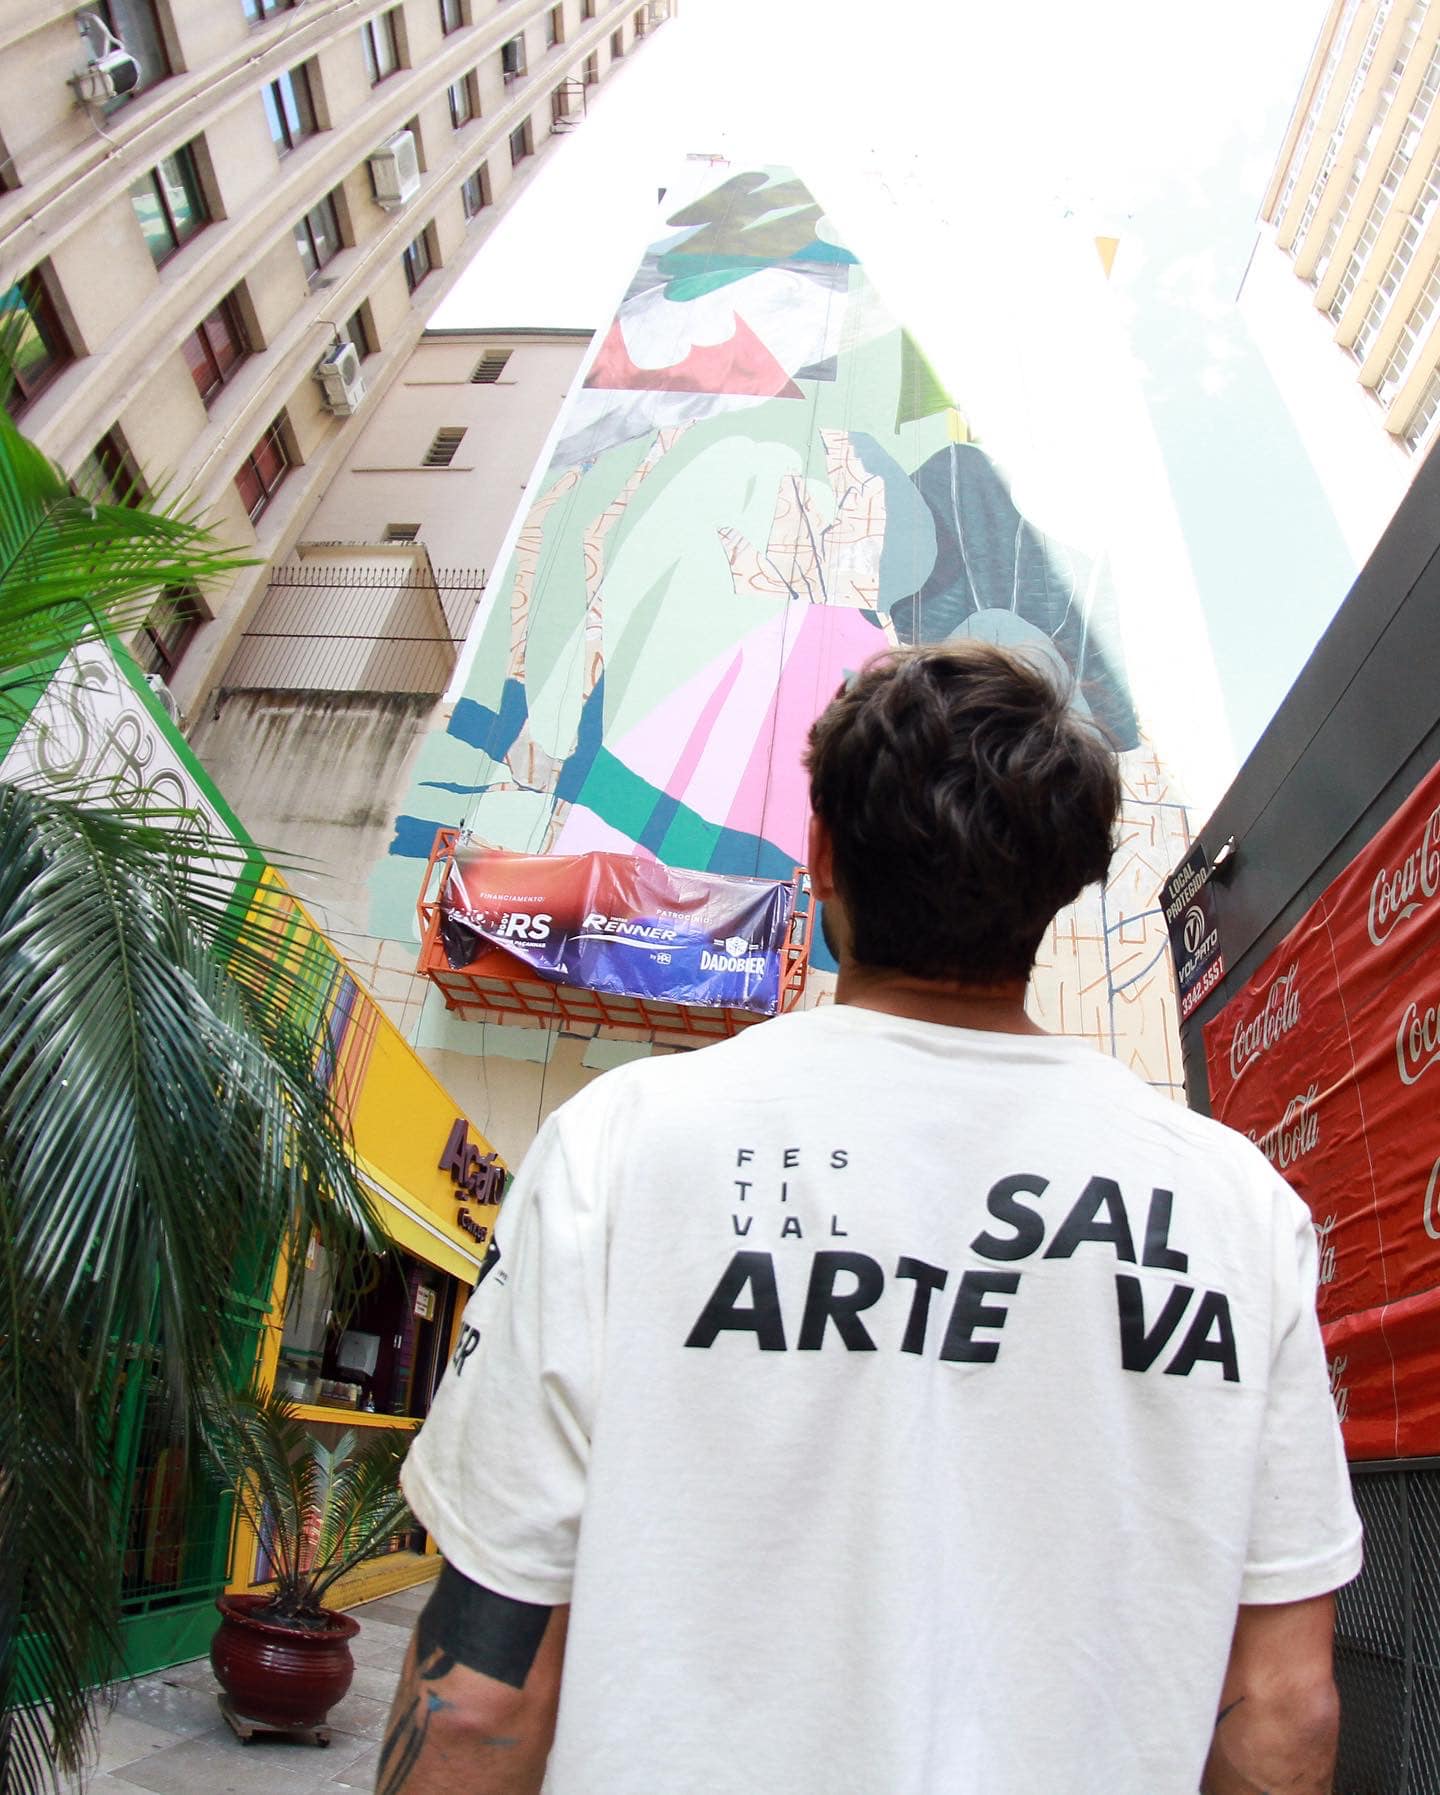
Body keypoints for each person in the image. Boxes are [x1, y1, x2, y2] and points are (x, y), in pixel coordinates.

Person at [381, 641, 1362, 1795]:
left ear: (822, 852)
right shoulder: (1238, 1211)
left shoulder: (622, 1146)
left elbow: (479, 1699)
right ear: (1061, 887)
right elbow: (1283, 1709)